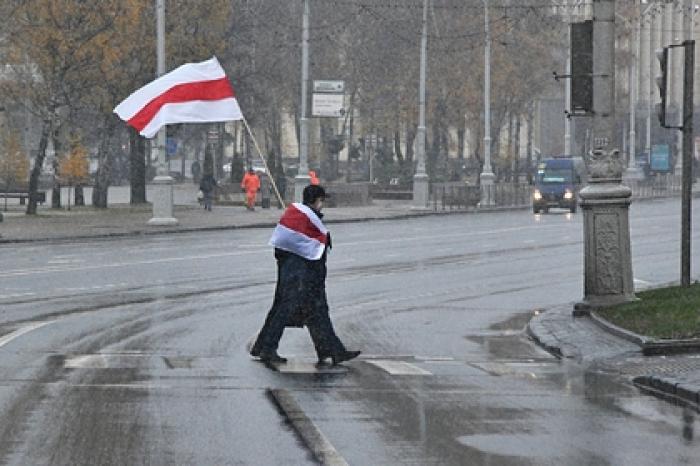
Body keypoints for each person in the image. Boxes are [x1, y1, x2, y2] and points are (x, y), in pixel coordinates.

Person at [250, 184, 361, 365]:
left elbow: (284, 248)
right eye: (322, 201)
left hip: (297, 276)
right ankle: (267, 348)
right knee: (285, 312)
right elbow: (314, 252)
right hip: (301, 279)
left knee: (315, 313)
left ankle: (331, 350)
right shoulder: (307, 221)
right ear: (317, 201)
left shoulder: (296, 217)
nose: (322, 205)